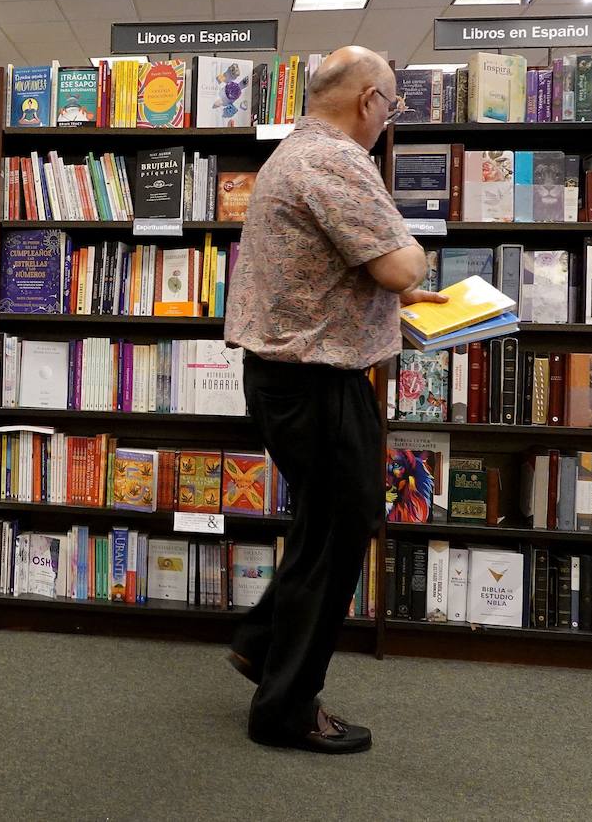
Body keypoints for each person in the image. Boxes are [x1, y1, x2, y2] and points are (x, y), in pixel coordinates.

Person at [223, 45, 446, 755]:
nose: (389, 119)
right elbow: (401, 262)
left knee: (324, 525)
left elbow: (342, 265)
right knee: (341, 534)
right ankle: (285, 710)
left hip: (295, 377)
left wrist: (397, 287)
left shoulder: (297, 151)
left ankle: (264, 644)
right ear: (368, 100)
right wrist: (408, 270)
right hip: (316, 382)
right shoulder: (337, 160)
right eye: (393, 105)